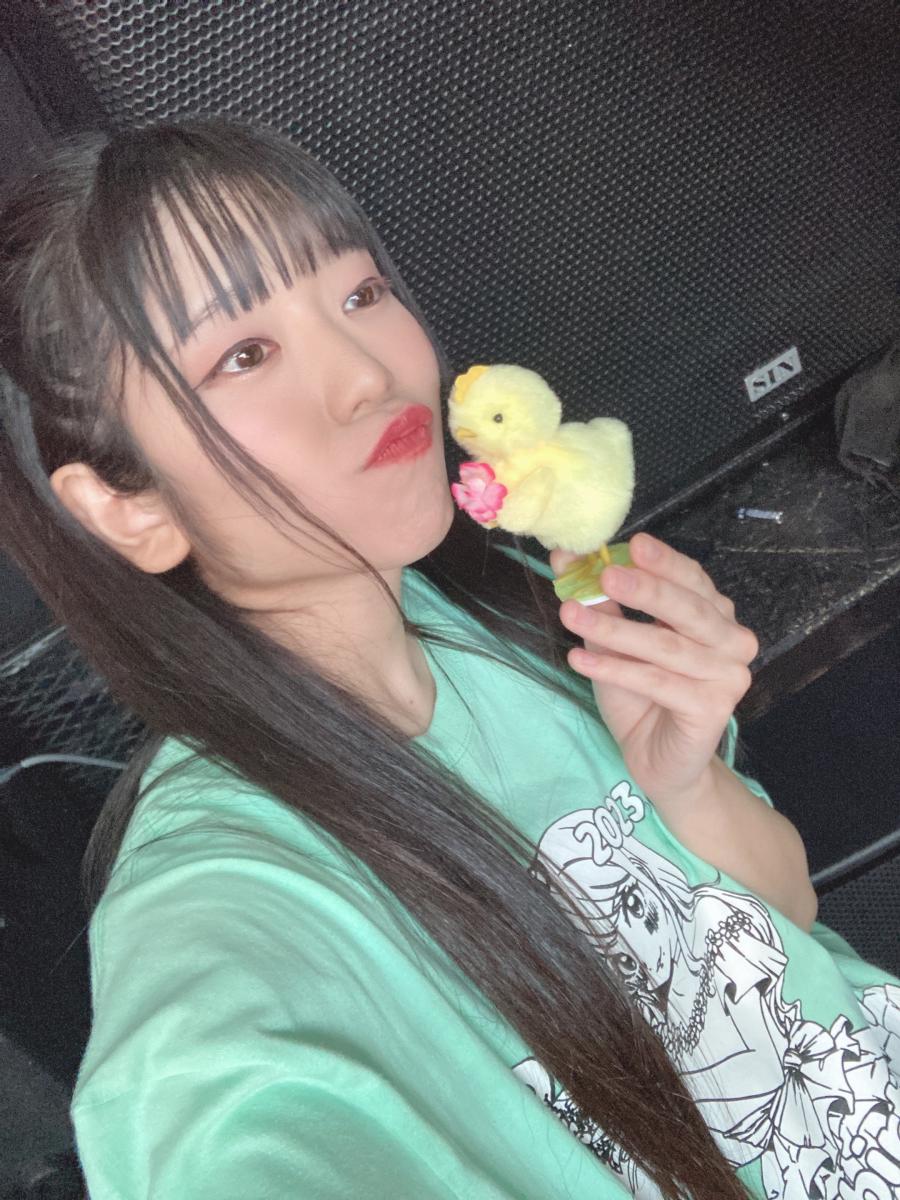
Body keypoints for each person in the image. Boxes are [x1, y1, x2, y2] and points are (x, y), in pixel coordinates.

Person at [0, 117, 896, 1200]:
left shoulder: (505, 606)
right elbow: (223, 1112)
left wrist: (687, 781)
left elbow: (789, 917)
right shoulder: (218, 901)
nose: (368, 374)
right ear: (129, 510)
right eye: (243, 355)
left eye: (360, 293)